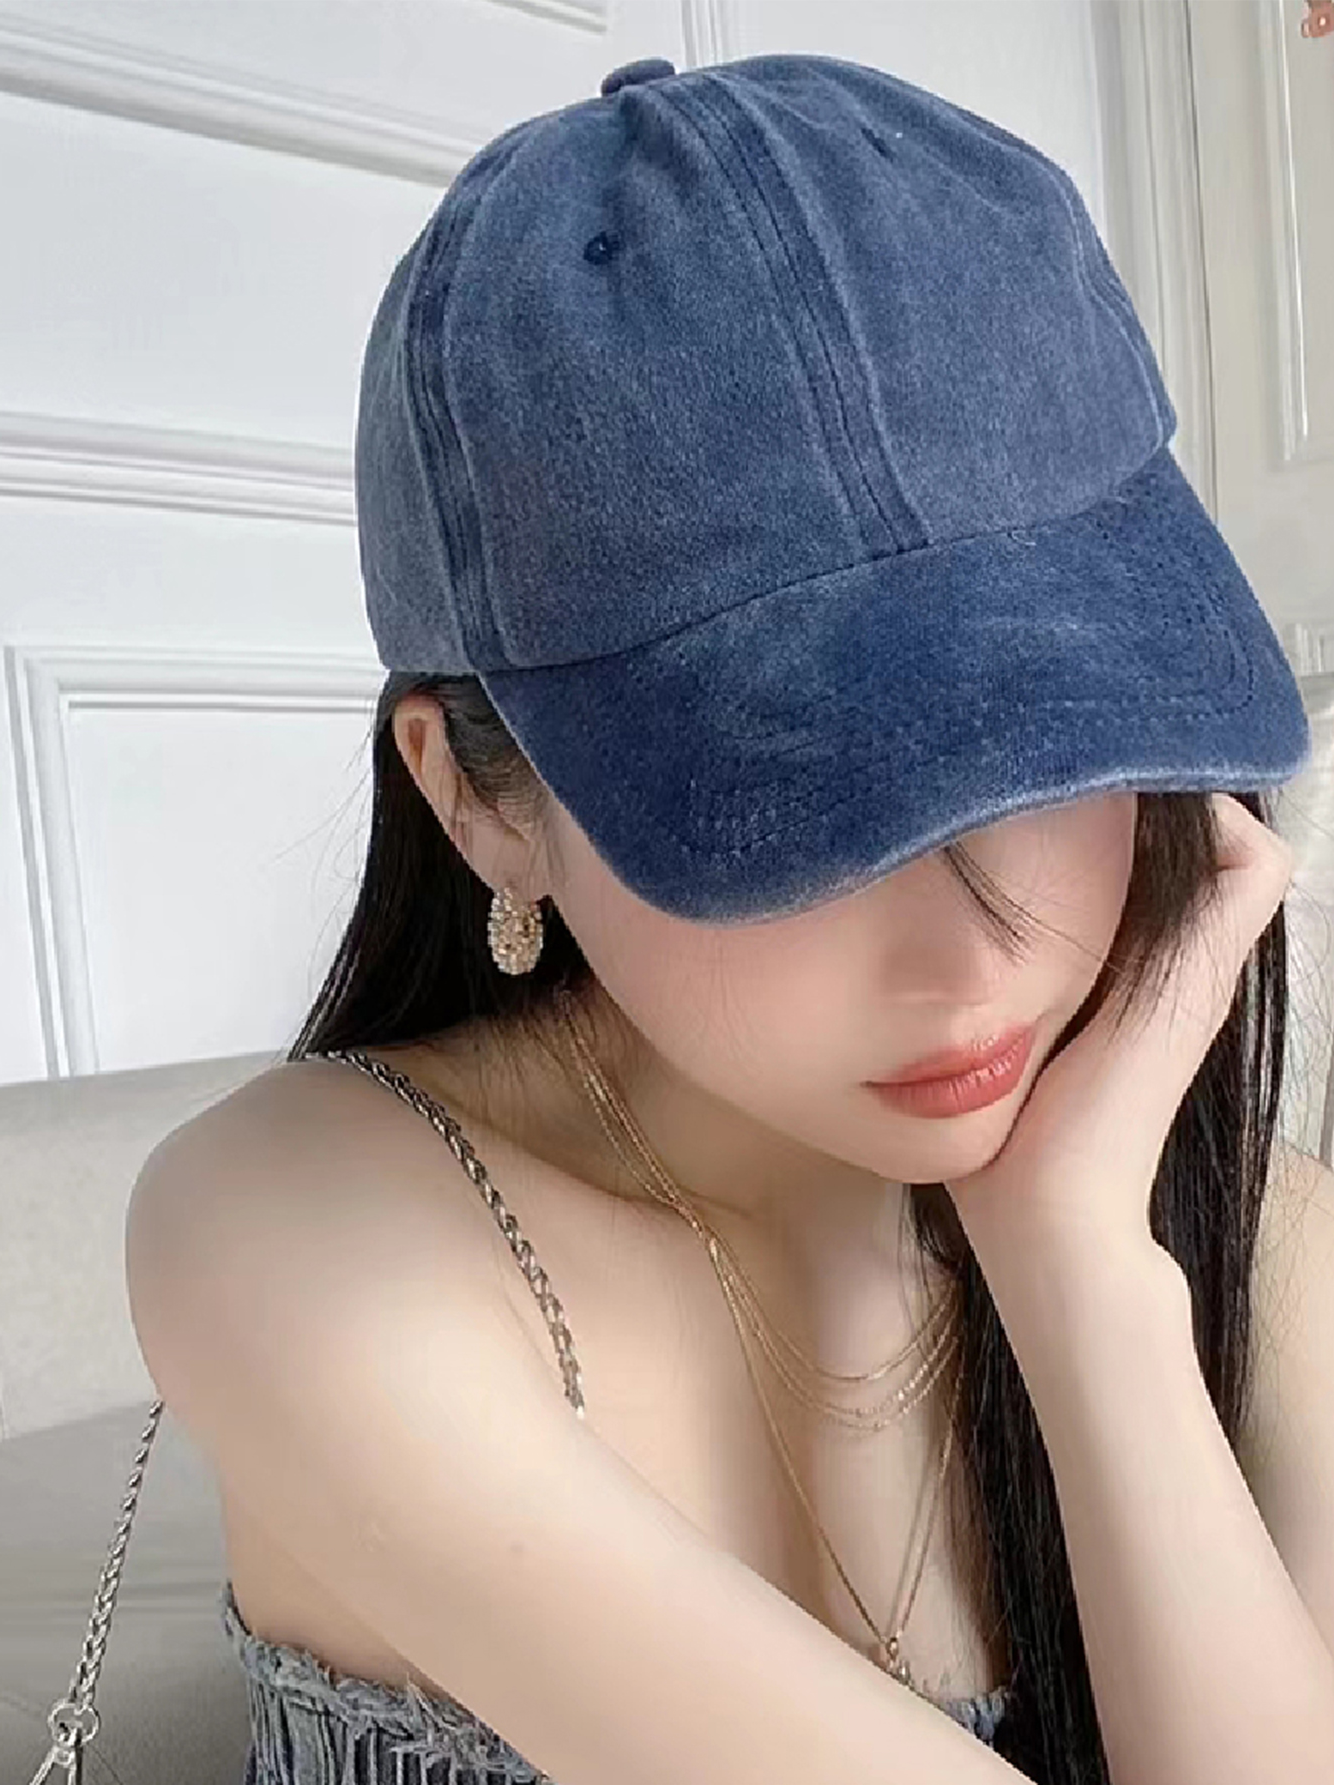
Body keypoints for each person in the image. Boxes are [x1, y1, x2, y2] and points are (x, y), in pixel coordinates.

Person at [124, 49, 1313, 1785]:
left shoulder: (1231, 1219)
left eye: (1057, 744)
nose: (973, 955)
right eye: (804, 809)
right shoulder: (303, 1232)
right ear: (481, 801)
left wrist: (1082, 1277)